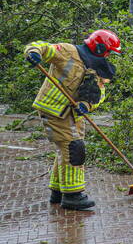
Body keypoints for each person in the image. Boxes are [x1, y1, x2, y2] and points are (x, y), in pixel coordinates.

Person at [24, 30, 120, 211]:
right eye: (108, 51)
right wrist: (33, 53)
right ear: (99, 47)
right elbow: (42, 46)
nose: (109, 56)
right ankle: (73, 196)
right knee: (73, 148)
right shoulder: (67, 51)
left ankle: (58, 191)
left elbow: (99, 94)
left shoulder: (99, 67)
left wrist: (86, 105)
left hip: (73, 113)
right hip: (54, 110)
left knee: (66, 148)